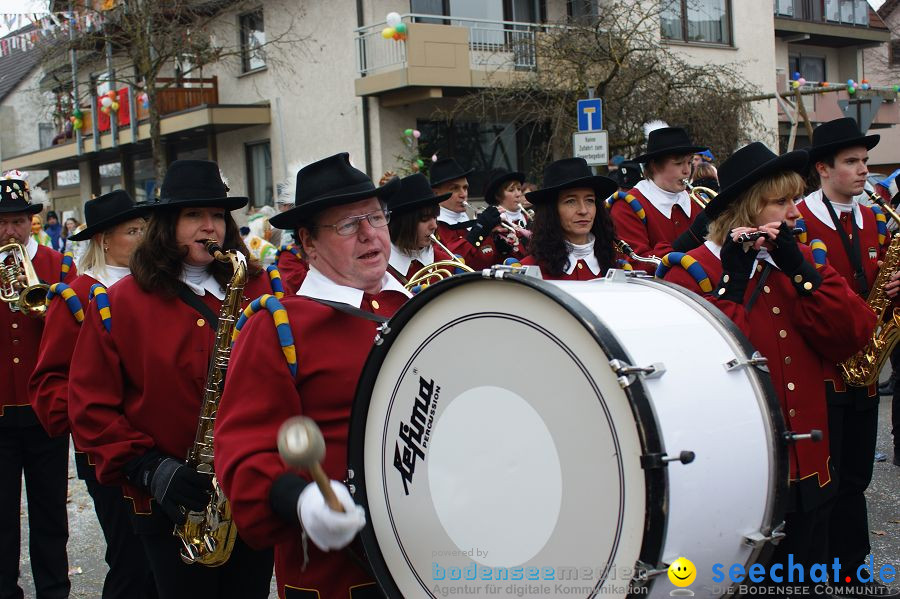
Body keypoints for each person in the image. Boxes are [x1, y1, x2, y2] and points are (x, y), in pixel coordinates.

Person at [661, 142, 875, 593]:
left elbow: (854, 333)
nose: (796, 212)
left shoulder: (802, 259)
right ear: (746, 209)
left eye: (795, 199)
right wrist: (733, 288)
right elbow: (712, 368)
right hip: (745, 474)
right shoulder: (690, 272)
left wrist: (802, 273)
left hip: (812, 467)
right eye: (781, 201)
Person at [67, 160, 277, 599]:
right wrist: (150, 469)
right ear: (166, 225)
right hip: (170, 503)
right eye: (193, 216)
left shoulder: (260, 292)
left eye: (218, 216)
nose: (210, 227)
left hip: (250, 492)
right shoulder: (119, 304)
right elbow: (90, 407)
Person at [214, 152, 411, 598]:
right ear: (308, 241)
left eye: (377, 217)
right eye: (347, 224)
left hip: (429, 559)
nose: (369, 234)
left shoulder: (418, 309)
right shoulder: (278, 325)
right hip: (342, 575)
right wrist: (300, 499)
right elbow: (242, 455)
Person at [29, 190, 156, 599]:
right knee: (131, 560)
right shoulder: (77, 295)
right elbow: (49, 385)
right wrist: (93, 415)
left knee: (163, 560)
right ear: (103, 239)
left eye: (146, 229)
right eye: (134, 230)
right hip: (106, 453)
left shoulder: (157, 288)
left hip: (160, 445)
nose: (144, 238)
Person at [797, 117, 900, 598]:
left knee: (857, 475)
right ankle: (817, 575)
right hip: (820, 366)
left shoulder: (875, 217)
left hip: (864, 363)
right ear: (823, 168)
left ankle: (853, 570)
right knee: (825, 481)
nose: (864, 171)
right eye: (853, 162)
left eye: (865, 161)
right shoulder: (799, 219)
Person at [0, 175, 74, 599]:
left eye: (18, 221)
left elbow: (76, 338)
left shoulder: (60, 267)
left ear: (33, 222)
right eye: (2, 222)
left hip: (45, 413)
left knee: (50, 514)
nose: (10, 231)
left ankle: (54, 591)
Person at [610, 126, 710, 273]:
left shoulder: (697, 201)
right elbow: (636, 265)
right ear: (655, 166)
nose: (687, 171)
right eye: (678, 163)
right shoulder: (627, 206)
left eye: (689, 162)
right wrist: (687, 241)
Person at [521, 157, 619, 280]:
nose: (583, 210)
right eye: (570, 201)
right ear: (552, 210)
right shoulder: (529, 271)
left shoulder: (615, 266)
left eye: (589, 200)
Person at [431, 157, 508, 269]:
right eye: (454, 188)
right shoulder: (433, 227)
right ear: (436, 193)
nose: (463, 194)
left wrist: (501, 247)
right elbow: (448, 263)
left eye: (465, 188)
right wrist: (479, 231)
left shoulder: (470, 221)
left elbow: (490, 262)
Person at [386, 172, 457, 285]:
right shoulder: (380, 269)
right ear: (403, 223)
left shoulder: (445, 262)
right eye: (424, 219)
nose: (434, 225)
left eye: (435, 217)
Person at [482, 167, 530, 256]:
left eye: (519, 189)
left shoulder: (528, 217)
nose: (518, 194)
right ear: (498, 196)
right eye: (511, 190)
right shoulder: (494, 223)